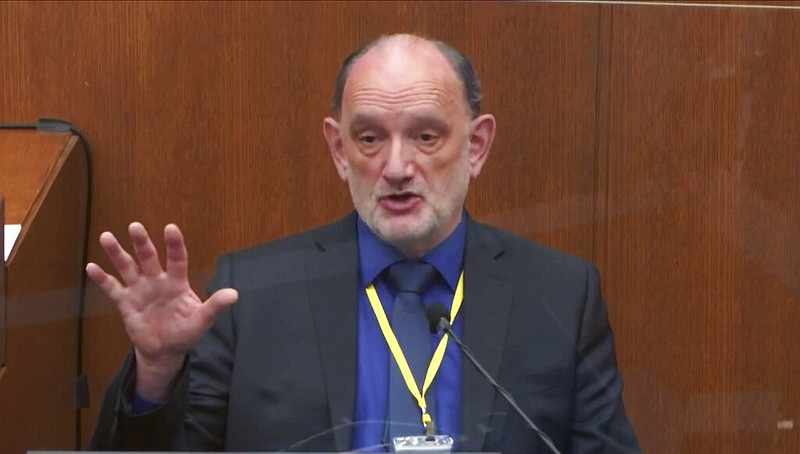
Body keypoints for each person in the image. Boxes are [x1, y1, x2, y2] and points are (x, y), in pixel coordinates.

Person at [88, 33, 640, 453]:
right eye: (369, 138)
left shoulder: (559, 294)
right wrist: (157, 373)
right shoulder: (251, 295)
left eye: (426, 136)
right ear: (337, 149)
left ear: (476, 145)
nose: (396, 167)